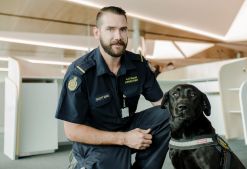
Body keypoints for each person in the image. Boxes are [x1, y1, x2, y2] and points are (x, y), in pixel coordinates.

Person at [55, 6, 170, 169]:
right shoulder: (80, 72)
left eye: (123, 29)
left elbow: (162, 104)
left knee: (167, 115)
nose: (118, 36)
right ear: (97, 33)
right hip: (94, 140)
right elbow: (72, 131)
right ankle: (80, 163)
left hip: (126, 126)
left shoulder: (139, 65)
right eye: (110, 29)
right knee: (110, 161)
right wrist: (124, 138)